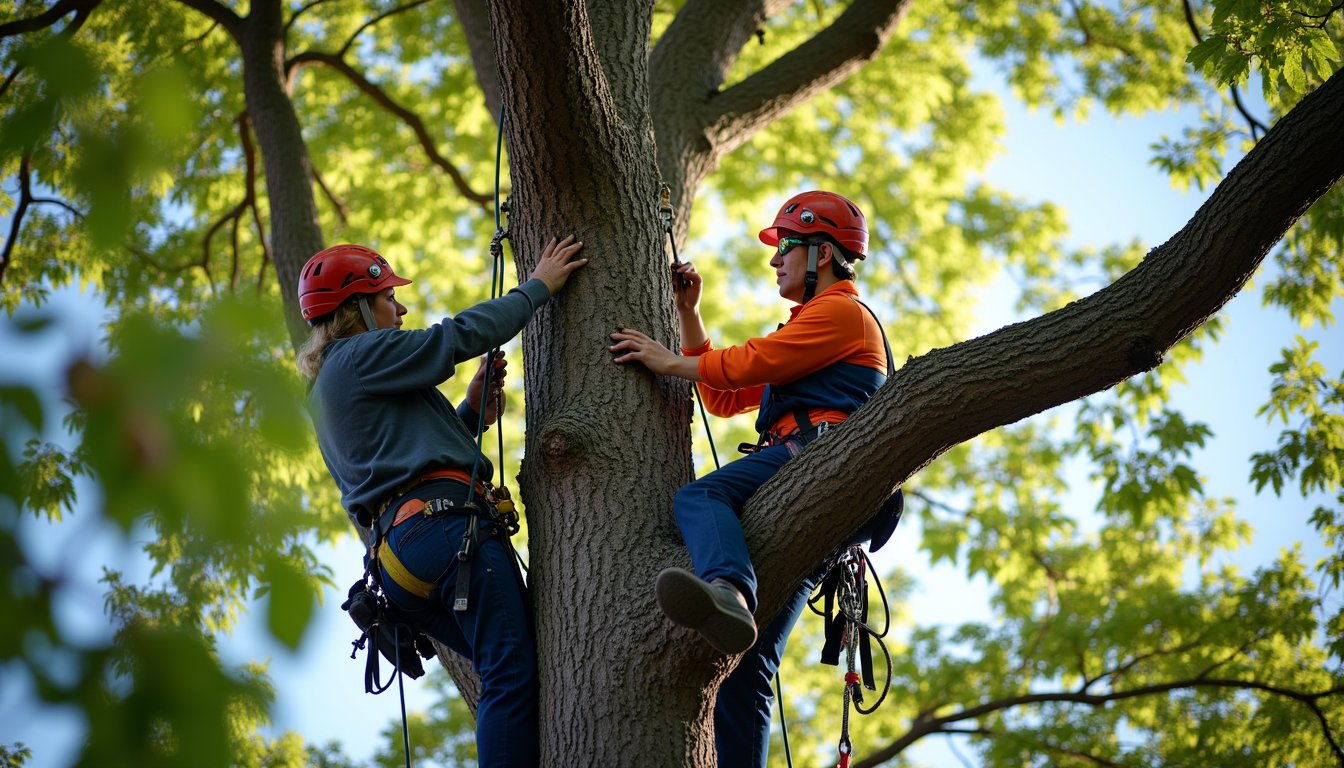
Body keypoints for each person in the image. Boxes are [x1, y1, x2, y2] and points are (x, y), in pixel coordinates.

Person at [609, 191, 891, 767]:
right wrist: (688, 315)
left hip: (819, 454)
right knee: (750, 671)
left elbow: (747, 364)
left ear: (823, 254)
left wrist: (666, 360)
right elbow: (724, 393)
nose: (775, 259)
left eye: (785, 246)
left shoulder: (841, 315)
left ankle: (731, 589)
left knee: (702, 494)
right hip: (817, 479)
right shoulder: (813, 331)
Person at [297, 236, 586, 768]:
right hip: (442, 529)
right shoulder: (359, 354)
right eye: (388, 297)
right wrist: (537, 289)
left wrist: (470, 410)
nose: (400, 308)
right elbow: (453, 338)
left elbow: (402, 462)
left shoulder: (331, 389)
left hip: (403, 560)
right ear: (357, 308)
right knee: (511, 671)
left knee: (522, 664)